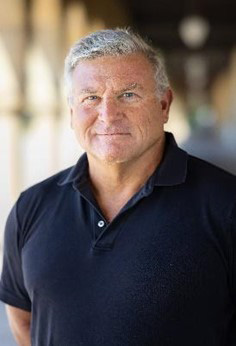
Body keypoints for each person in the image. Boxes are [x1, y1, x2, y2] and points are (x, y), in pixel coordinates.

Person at [0, 28, 236, 346]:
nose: (108, 115)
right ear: (72, 112)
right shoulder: (32, 207)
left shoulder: (226, 204)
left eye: (128, 94)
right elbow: (23, 317)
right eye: (91, 98)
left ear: (164, 105)